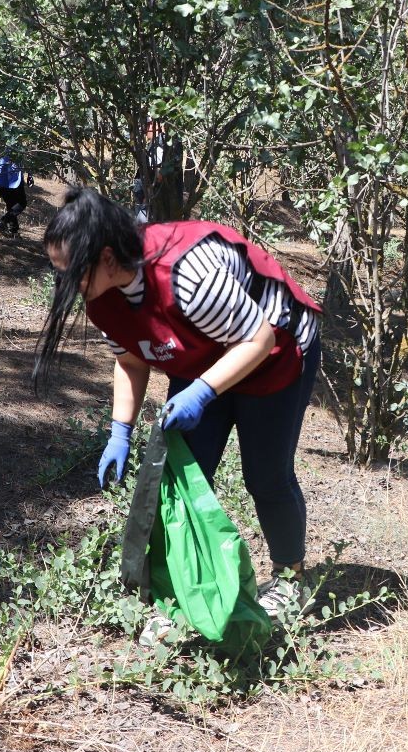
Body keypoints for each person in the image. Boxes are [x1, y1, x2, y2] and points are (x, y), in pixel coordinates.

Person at [34, 186, 323, 622]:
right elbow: (130, 362)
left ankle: (290, 580)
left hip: (274, 350)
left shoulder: (187, 275)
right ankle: (179, 591)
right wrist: (120, 431)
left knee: (266, 477)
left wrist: (204, 391)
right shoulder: (104, 300)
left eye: (71, 272)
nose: (65, 285)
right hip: (202, 350)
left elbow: (258, 339)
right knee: (182, 477)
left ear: (107, 258)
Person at [0, 148, 28, 238]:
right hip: (13, 177)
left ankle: (14, 232)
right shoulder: (14, 139)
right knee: (21, 203)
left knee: (11, 205)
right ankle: (3, 222)